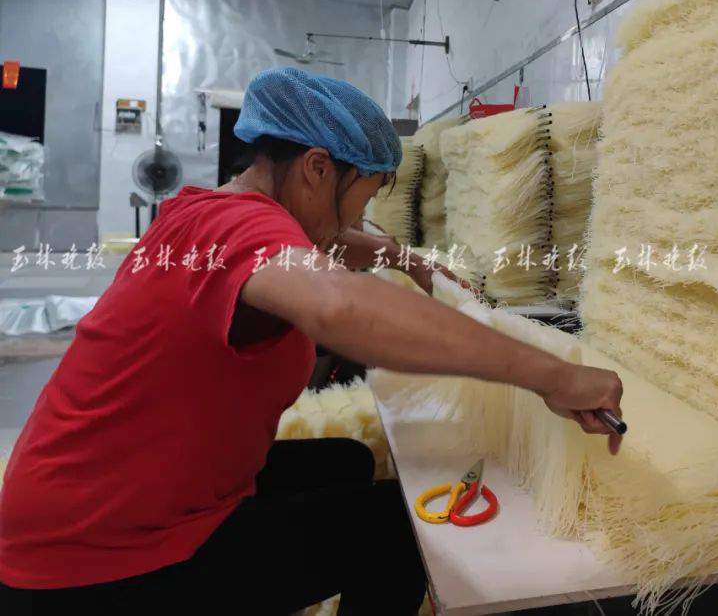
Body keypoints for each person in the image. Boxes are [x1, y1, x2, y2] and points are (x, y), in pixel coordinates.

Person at [0, 68, 623, 616]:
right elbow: (338, 303)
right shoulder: (242, 227)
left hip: (102, 496)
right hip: (96, 556)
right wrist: (557, 375)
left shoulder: (201, 210)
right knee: (393, 537)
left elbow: (320, 244)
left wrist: (405, 259)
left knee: (346, 462)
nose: (356, 220)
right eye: (361, 199)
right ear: (318, 168)